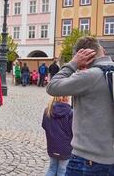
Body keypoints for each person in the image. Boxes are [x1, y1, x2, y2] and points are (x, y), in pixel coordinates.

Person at [47, 36, 114, 175]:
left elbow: (52, 87)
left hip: (88, 158)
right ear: (101, 50)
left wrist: (73, 63)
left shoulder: (90, 76)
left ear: (83, 56)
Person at [42, 96, 73, 176]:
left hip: (52, 145)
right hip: (66, 148)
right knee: (62, 170)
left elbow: (44, 125)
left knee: (52, 168)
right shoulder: (70, 113)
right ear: (68, 98)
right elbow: (73, 131)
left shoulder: (48, 110)